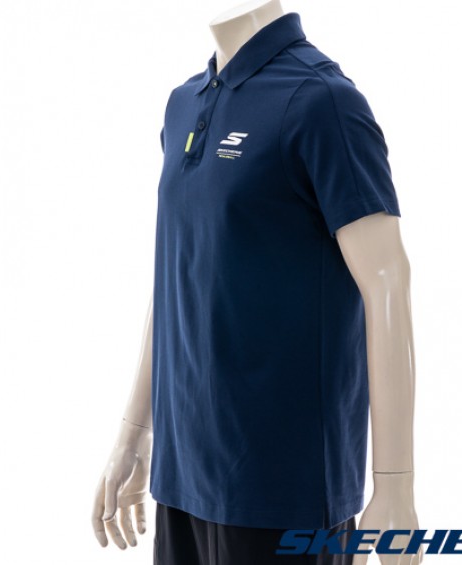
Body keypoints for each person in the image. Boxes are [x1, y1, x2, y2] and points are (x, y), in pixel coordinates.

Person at [91, 1, 421, 564]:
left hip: (284, 491)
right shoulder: (183, 102)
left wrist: (395, 489)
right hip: (181, 478)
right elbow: (180, 271)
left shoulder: (324, 102)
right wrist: (135, 432)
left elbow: (387, 282)